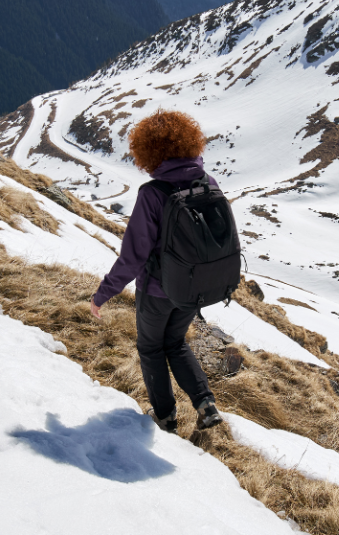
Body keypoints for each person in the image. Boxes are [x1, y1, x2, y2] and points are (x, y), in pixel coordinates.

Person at [89, 109, 223, 434]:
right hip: (195, 289)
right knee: (175, 343)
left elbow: (134, 255)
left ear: (149, 152)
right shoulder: (209, 183)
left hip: (157, 291)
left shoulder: (152, 194)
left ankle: (165, 419)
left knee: (151, 348)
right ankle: (205, 403)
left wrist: (103, 293)